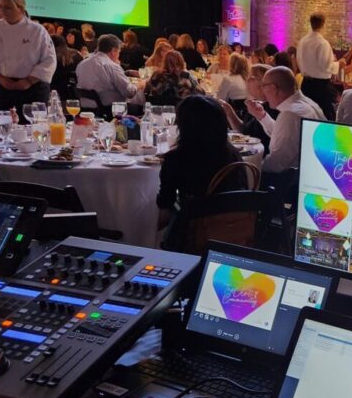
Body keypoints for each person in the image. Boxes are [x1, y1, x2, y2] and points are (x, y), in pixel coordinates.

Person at [156, 94, 246, 244]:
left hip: (198, 232)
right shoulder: (233, 154)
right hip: (235, 230)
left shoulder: (177, 158)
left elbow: (165, 202)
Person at [0, 0, 56, 117]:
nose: (3, 11)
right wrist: (0, 78)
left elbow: (49, 59)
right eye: (1, 7)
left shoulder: (37, 30)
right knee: (5, 123)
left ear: (21, 9)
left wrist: (29, 81)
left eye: (8, 8)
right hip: (4, 86)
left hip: (33, 87)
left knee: (34, 124)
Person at [257, 66, 323, 174]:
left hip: (294, 178)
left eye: (263, 86)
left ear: (273, 88)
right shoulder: (308, 103)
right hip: (313, 171)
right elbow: (286, 136)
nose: (262, 91)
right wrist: (262, 116)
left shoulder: (290, 115)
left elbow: (277, 163)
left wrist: (253, 167)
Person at [296, 13, 351, 120]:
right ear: (323, 25)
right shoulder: (322, 43)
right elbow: (326, 66)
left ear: (311, 23)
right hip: (320, 87)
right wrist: (339, 64)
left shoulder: (302, 41)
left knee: (307, 116)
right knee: (325, 118)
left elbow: (300, 61)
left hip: (305, 84)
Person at [75, 34, 139, 108]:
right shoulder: (110, 65)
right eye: (119, 52)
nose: (118, 56)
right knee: (139, 107)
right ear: (113, 51)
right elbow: (129, 92)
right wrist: (139, 85)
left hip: (84, 108)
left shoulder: (82, 64)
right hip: (111, 109)